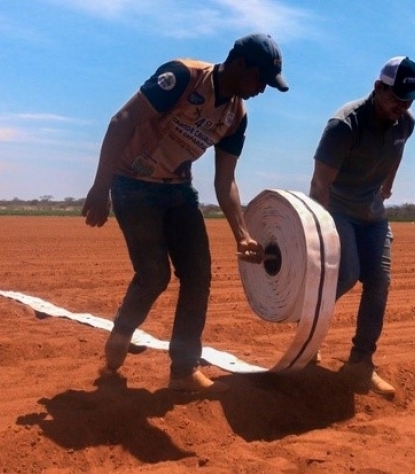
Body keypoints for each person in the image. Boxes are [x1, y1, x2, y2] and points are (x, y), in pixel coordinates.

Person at [82, 33, 289, 393]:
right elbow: (121, 122)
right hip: (132, 182)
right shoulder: (182, 77)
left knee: (198, 274)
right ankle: (123, 330)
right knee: (155, 274)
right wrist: (101, 189)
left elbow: (225, 181)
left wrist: (243, 233)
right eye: (261, 80)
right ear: (241, 65)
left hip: (177, 190)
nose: (262, 90)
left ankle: (183, 370)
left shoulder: (236, 116)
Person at [309, 56, 415, 398]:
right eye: (396, 98)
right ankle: (309, 331)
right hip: (337, 207)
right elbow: (319, 185)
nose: (402, 107)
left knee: (379, 281)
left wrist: (388, 183)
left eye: (408, 101)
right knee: (346, 274)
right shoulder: (344, 124)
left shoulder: (406, 122)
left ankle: (361, 364)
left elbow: (398, 150)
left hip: (372, 214)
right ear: (378, 88)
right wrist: (321, 233)